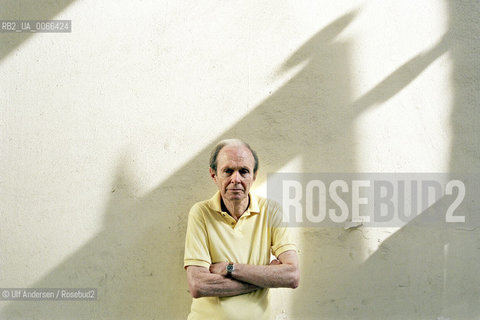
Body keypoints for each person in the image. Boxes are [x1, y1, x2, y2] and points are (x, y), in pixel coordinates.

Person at [184, 139, 299, 320]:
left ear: (253, 176)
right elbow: (198, 285)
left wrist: (230, 268)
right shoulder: (201, 213)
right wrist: (264, 277)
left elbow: (292, 276)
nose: (235, 179)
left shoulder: (272, 211)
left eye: (243, 171)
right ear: (214, 175)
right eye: (228, 171)